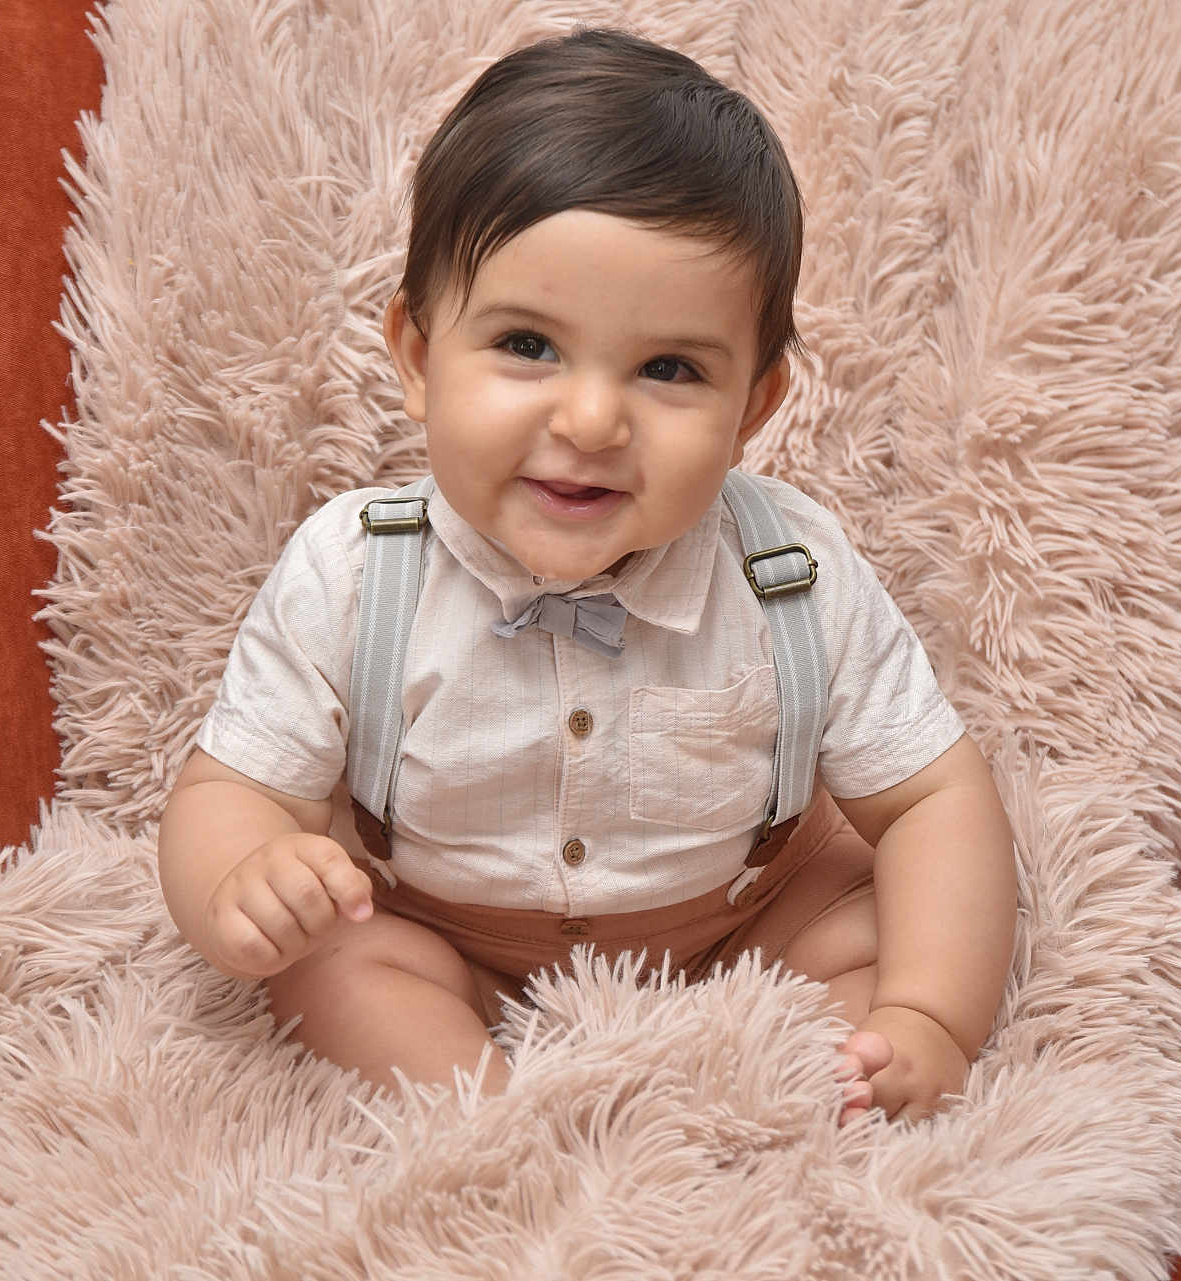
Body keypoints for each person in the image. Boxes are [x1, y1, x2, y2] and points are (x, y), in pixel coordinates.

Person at [157, 27, 1016, 1126]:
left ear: (754, 406)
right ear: (421, 359)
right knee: (329, 964)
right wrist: (240, 882)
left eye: (669, 369)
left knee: (882, 922)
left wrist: (933, 1014)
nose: (592, 420)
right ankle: (508, 1130)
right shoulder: (355, 569)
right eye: (527, 346)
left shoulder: (790, 570)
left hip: (740, 936)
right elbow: (234, 792)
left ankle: (793, 1096)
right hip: (446, 940)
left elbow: (933, 797)